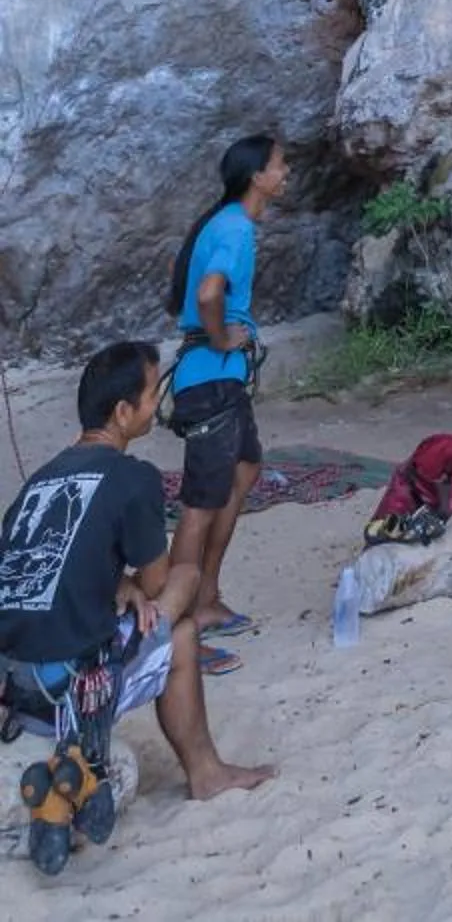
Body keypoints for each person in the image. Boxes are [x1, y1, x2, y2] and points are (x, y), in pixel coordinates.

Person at [0, 340, 274, 867]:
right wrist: (137, 590)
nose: (159, 403)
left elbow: (53, 568)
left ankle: (61, 786)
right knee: (185, 602)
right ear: (124, 413)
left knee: (136, 597)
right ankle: (206, 773)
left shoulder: (37, 483)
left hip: (15, 680)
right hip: (65, 687)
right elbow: (157, 584)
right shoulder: (133, 478)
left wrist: (118, 584)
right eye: (152, 394)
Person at [165, 132, 287, 633]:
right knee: (200, 503)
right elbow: (211, 291)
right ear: (256, 176)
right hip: (211, 379)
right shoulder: (235, 228)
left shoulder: (227, 223)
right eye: (281, 165)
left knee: (245, 469)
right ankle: (179, 616)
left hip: (219, 382)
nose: (286, 173)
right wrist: (219, 339)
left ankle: (206, 594)